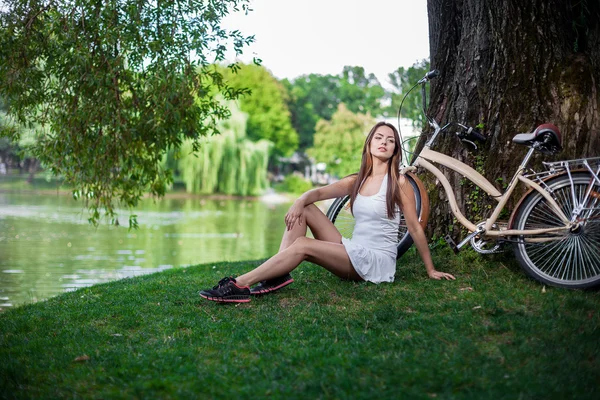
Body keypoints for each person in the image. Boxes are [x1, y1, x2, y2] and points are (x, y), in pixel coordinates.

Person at [199, 122, 456, 303]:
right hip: (353, 248)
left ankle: (240, 284)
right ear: (369, 144)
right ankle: (275, 276)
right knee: (307, 209)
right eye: (379, 137)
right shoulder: (357, 180)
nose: (384, 143)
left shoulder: (399, 183)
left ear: (395, 150)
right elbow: (319, 193)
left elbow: (414, 227)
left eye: (390, 140)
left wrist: (430, 269)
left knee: (302, 244)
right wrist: (300, 200)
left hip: (375, 261)